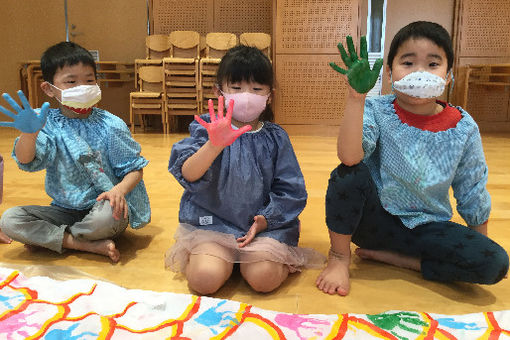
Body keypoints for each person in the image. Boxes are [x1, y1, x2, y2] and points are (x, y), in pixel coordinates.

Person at [316, 21, 509, 296]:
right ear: (390, 72)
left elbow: (472, 187)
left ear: (448, 75)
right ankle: (339, 257)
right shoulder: (377, 110)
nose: (420, 72)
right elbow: (349, 157)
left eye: (433, 64)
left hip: (429, 229)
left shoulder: (464, 127)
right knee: (347, 173)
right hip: (374, 223)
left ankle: (402, 261)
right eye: (408, 62)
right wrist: (356, 98)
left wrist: (479, 248)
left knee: (496, 263)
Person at [166, 45, 324, 295]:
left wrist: (265, 220)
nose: (246, 96)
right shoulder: (206, 127)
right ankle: (226, 261)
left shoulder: (275, 137)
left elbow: (290, 188)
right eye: (236, 88)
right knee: (204, 280)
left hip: (263, 228)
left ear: (269, 95)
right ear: (219, 91)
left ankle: (255, 260)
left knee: (264, 280)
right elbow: (188, 174)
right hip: (213, 225)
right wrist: (214, 145)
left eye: (256, 89)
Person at [0, 41, 151, 262]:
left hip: (103, 208)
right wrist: (29, 134)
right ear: (49, 89)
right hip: (62, 211)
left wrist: (119, 190)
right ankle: (82, 244)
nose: (82, 86)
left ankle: (52, 239)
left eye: (89, 80)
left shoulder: (111, 124)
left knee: (110, 217)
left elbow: (135, 170)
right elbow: (27, 160)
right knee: (9, 220)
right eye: (71, 81)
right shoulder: (45, 123)